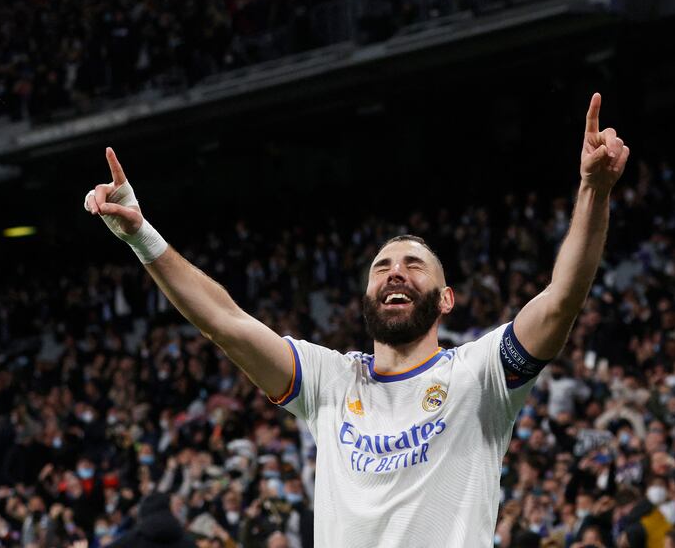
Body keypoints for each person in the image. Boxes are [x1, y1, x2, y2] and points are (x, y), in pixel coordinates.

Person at [83, 93, 630, 547]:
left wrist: (593, 190)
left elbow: (561, 300)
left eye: (414, 266)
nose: (395, 274)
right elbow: (224, 321)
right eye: (382, 268)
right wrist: (141, 236)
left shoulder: (481, 374)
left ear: (446, 299)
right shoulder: (330, 380)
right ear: (366, 295)